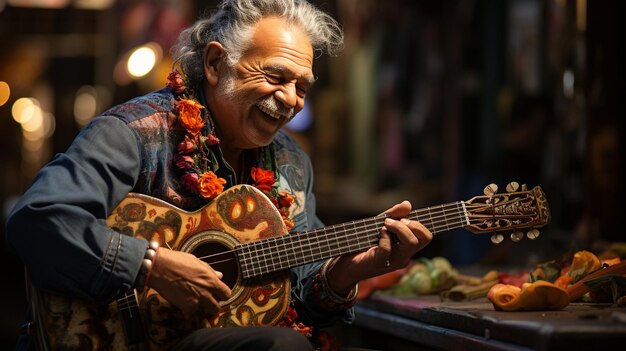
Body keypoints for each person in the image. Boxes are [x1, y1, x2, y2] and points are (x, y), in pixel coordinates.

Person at [6, 0, 432, 350]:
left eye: (302, 86)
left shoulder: (290, 163)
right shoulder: (133, 133)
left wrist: (348, 271)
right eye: (276, 76)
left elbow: (302, 303)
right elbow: (38, 219)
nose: (291, 99)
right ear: (214, 63)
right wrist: (150, 266)